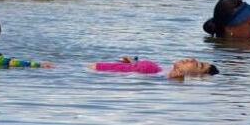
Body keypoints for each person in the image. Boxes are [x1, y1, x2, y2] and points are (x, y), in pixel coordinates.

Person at [90, 56, 219, 78]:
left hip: (96, 71)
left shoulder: (171, 76)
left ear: (196, 75)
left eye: (197, 64)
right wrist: (131, 62)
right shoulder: (162, 69)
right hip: (96, 69)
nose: (192, 59)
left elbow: (175, 80)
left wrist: (177, 79)